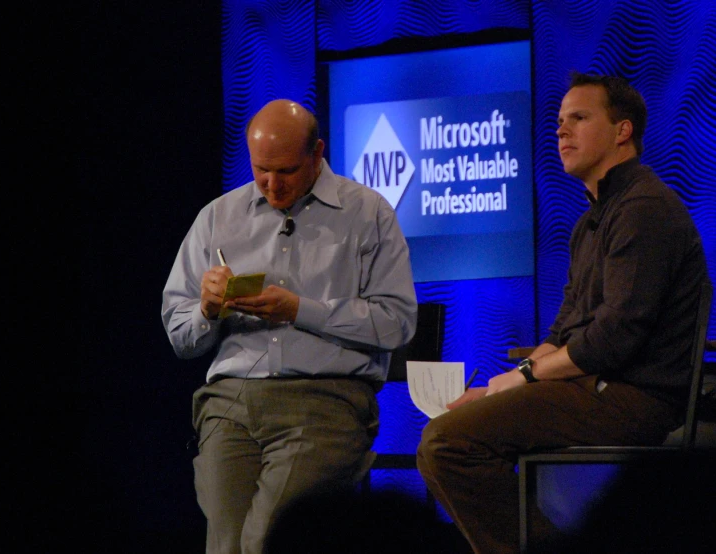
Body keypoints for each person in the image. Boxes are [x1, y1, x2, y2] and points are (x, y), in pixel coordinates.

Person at [416, 72, 709, 554]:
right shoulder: (591, 221)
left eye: (579, 118)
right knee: (451, 430)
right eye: (558, 122)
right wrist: (500, 384)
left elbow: (614, 337)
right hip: (595, 385)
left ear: (623, 131)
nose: (561, 131)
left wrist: (526, 376)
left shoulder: (644, 209)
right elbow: (565, 328)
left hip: (634, 396)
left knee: (448, 443)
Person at [161, 99, 417, 554]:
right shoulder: (218, 217)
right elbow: (179, 335)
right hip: (230, 402)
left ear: (316, 154)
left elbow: (397, 323)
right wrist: (206, 310)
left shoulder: (368, 214)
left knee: (266, 539)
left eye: (286, 171)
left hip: (324, 400)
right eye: (261, 170)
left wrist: (300, 309)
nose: (271, 185)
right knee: (225, 543)